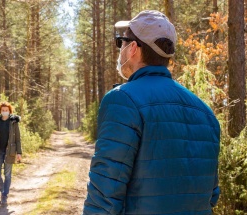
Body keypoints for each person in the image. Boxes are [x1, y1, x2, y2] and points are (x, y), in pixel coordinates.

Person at [83, 10, 220, 215]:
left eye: (122, 42)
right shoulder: (205, 112)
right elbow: (211, 194)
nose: (120, 49)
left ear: (133, 48)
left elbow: (105, 193)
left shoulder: (123, 99)